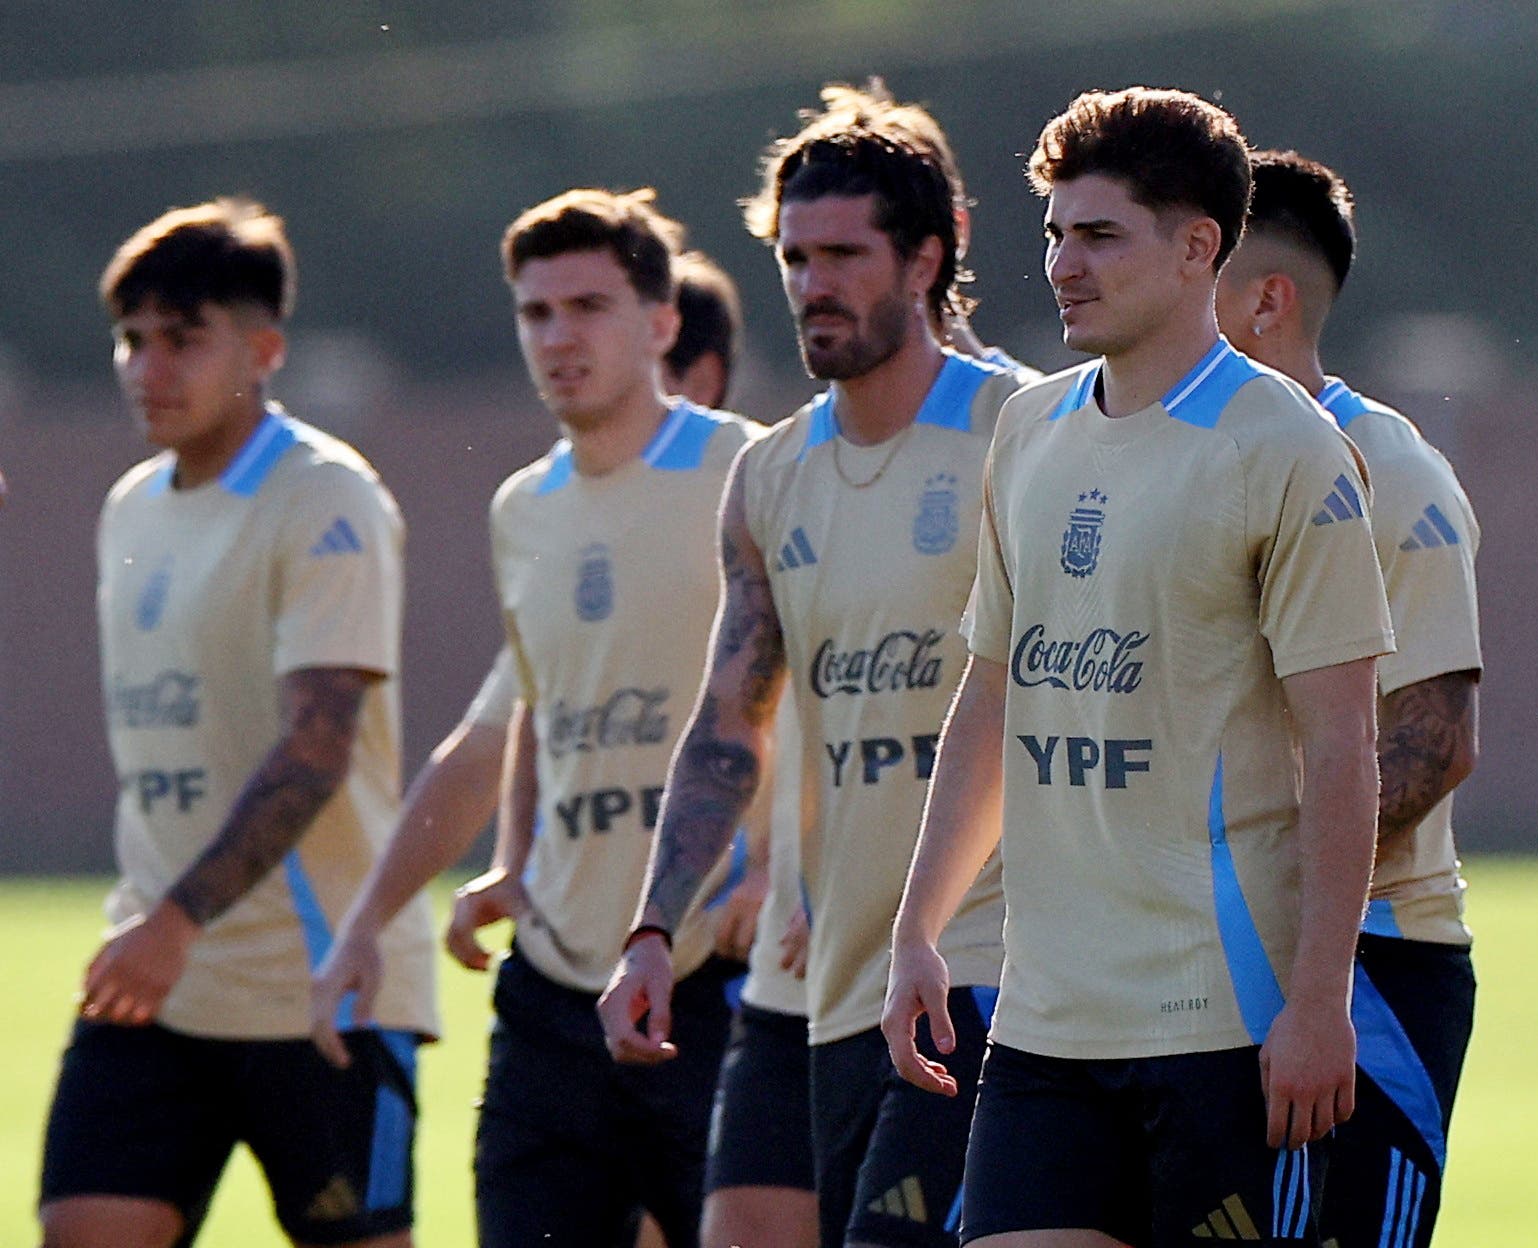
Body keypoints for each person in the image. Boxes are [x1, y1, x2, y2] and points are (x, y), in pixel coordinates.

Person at [882, 88, 1395, 1247]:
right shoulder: (1028, 429)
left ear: (1197, 247)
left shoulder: (1290, 451)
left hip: (1223, 1021)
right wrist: (919, 925)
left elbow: (1343, 744)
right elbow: (993, 694)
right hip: (1046, 1027)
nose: (1063, 262)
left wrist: (1318, 1002)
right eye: (1056, 232)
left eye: (1100, 234)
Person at [598, 83, 1028, 1248]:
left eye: (843, 254)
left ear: (927, 259)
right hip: (832, 989)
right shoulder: (771, 477)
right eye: (793, 257)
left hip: (988, 969)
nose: (810, 284)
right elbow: (729, 723)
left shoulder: (1026, 435)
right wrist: (654, 930)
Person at [305, 241, 756, 1247]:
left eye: (589, 305)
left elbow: (804, 695)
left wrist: (778, 871)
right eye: (536, 312)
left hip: (713, 975)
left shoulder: (745, 468)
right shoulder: (524, 508)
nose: (559, 336)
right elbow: (516, 721)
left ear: (662, 323)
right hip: (554, 995)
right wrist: (375, 918)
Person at [40, 198, 434, 1248]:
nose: (146, 367)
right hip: (155, 990)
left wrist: (176, 921)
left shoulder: (323, 497)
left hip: (319, 996)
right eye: (131, 340)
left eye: (181, 339)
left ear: (263, 351)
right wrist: (159, 931)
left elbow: (316, 749)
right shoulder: (130, 504)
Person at [1215, 149, 1482, 1248]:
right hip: (1191, 955)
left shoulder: (1391, 475)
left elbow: (1433, 741)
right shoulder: (1160, 464)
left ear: (1265, 299)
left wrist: (1268, 890)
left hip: (1369, 962)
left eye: (1196, 262)